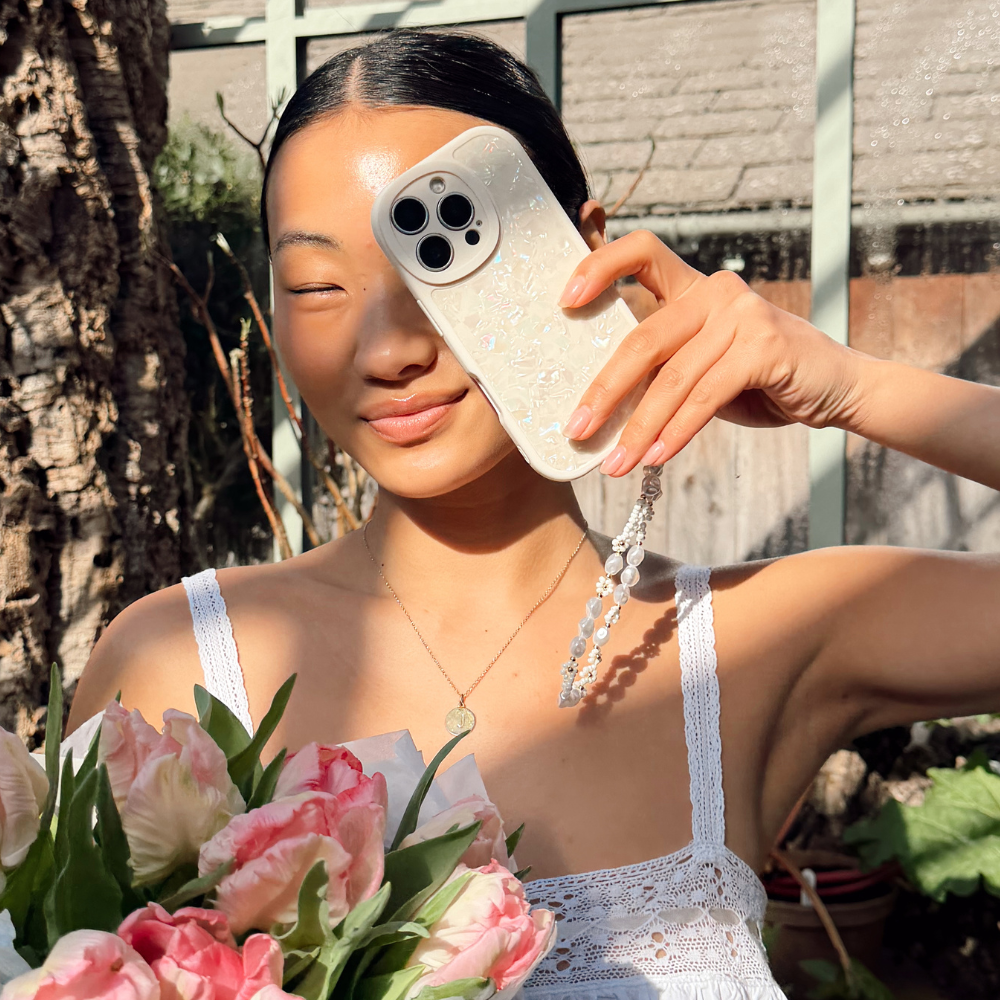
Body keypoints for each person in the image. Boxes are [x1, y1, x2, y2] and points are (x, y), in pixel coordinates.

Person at [69, 30, 1000, 1000]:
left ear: (583, 252)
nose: (387, 347)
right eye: (317, 287)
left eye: (442, 259)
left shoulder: (754, 644)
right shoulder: (177, 672)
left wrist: (848, 388)